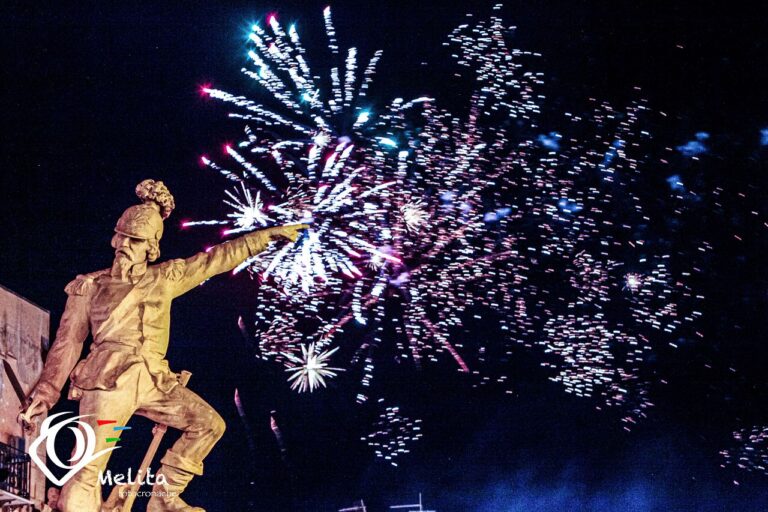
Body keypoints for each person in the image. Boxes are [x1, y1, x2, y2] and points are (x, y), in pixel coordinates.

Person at [19, 180, 308, 512]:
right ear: (115, 237)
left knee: (208, 425)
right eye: (123, 237)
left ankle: (163, 497)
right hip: (108, 378)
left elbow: (217, 259)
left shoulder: (166, 277)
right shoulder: (89, 287)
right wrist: (45, 394)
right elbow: (67, 343)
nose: (126, 245)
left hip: (154, 378)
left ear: (151, 247)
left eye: (136, 240)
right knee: (87, 468)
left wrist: (264, 237)